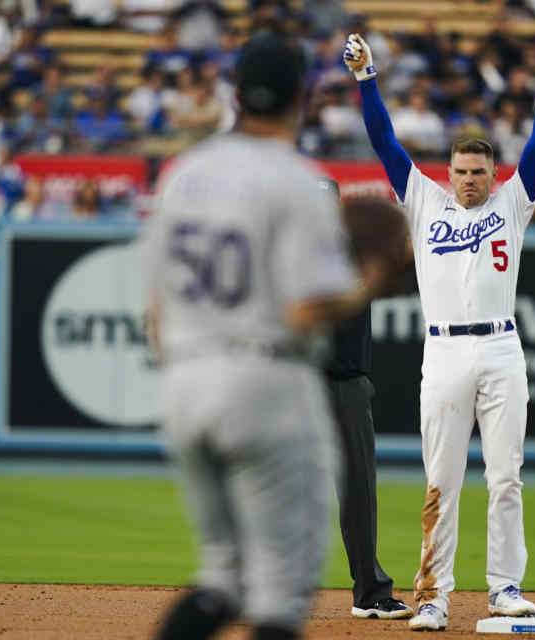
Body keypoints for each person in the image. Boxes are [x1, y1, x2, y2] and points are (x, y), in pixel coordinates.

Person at [143, 35, 385, 640]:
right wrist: (374, 281)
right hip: (263, 381)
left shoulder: (182, 174)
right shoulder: (296, 182)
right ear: (300, 98)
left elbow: (155, 310)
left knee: (223, 580)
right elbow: (306, 310)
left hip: (184, 383)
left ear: (233, 96)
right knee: (279, 596)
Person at [343, 26, 535, 631]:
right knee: (440, 482)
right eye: (461, 170)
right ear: (447, 173)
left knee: (506, 476)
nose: (469, 178)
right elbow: (385, 142)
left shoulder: (513, 203)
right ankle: (435, 596)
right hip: (444, 351)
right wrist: (367, 80)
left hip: (502, 346)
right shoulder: (423, 200)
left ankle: (504, 587)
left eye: (478, 170)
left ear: (493, 173)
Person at [317, 177, 414, 622]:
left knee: (358, 492)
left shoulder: (361, 253)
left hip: (347, 383)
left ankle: (370, 592)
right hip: (292, 384)